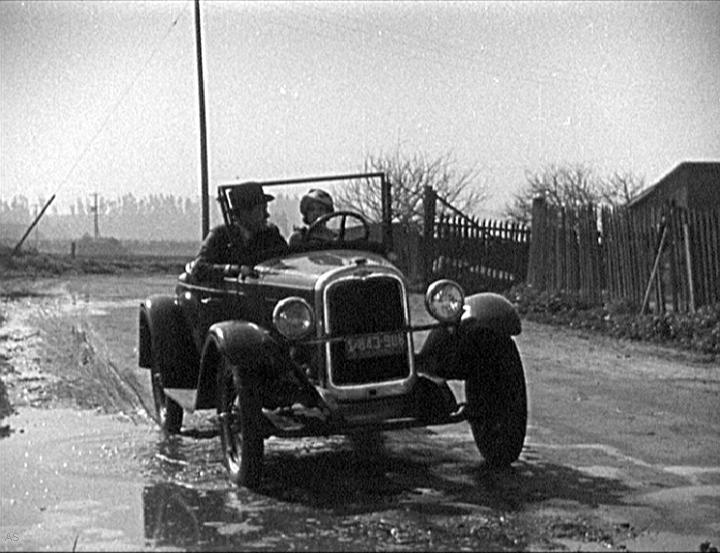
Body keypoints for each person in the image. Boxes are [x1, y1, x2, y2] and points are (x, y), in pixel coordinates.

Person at [188, 182, 287, 282]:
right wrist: (234, 270)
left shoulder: (271, 236)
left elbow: (287, 259)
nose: (266, 215)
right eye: (261, 210)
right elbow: (199, 268)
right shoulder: (220, 236)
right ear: (244, 213)